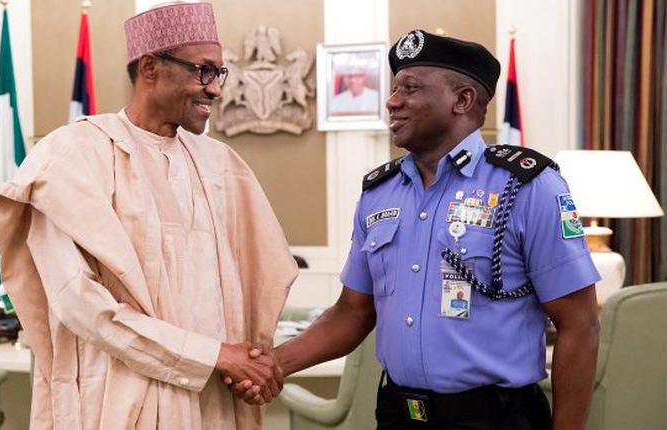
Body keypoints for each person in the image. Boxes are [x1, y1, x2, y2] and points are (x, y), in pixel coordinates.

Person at [228, 29, 601, 430]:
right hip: (398, 415)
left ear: (462, 100)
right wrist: (273, 364)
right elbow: (353, 311)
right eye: (394, 88)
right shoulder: (379, 192)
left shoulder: (527, 186)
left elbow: (580, 324)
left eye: (410, 88)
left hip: (492, 418)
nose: (392, 101)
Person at [0, 3, 296, 429]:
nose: (215, 89)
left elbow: (259, 284)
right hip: (116, 401)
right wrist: (211, 355)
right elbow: (82, 305)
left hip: (213, 401)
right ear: (151, 67)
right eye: (203, 71)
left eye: (218, 73)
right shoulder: (72, 158)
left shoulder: (222, 166)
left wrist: (251, 363)